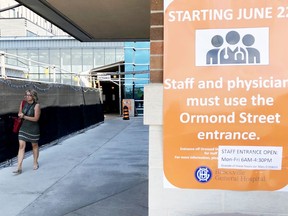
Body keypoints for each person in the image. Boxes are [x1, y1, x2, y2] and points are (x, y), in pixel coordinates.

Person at [13, 89, 41, 174]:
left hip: (33, 129)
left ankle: (35, 162)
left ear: (33, 96)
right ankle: (19, 167)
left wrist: (24, 116)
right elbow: (19, 113)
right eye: (26, 95)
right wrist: (20, 115)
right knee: (21, 146)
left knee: (34, 146)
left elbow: (36, 119)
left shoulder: (37, 106)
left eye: (29, 95)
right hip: (23, 128)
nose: (27, 96)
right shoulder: (23, 103)